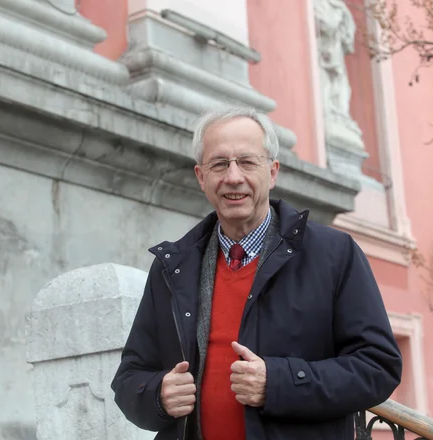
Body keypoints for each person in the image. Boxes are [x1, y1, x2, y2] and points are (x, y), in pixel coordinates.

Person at [111, 107, 402, 440]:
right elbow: (129, 378)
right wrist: (157, 395)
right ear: (201, 177)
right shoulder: (172, 266)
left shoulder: (334, 254)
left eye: (247, 162)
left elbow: (378, 368)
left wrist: (278, 383)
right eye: (219, 164)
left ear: (273, 171)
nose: (233, 177)